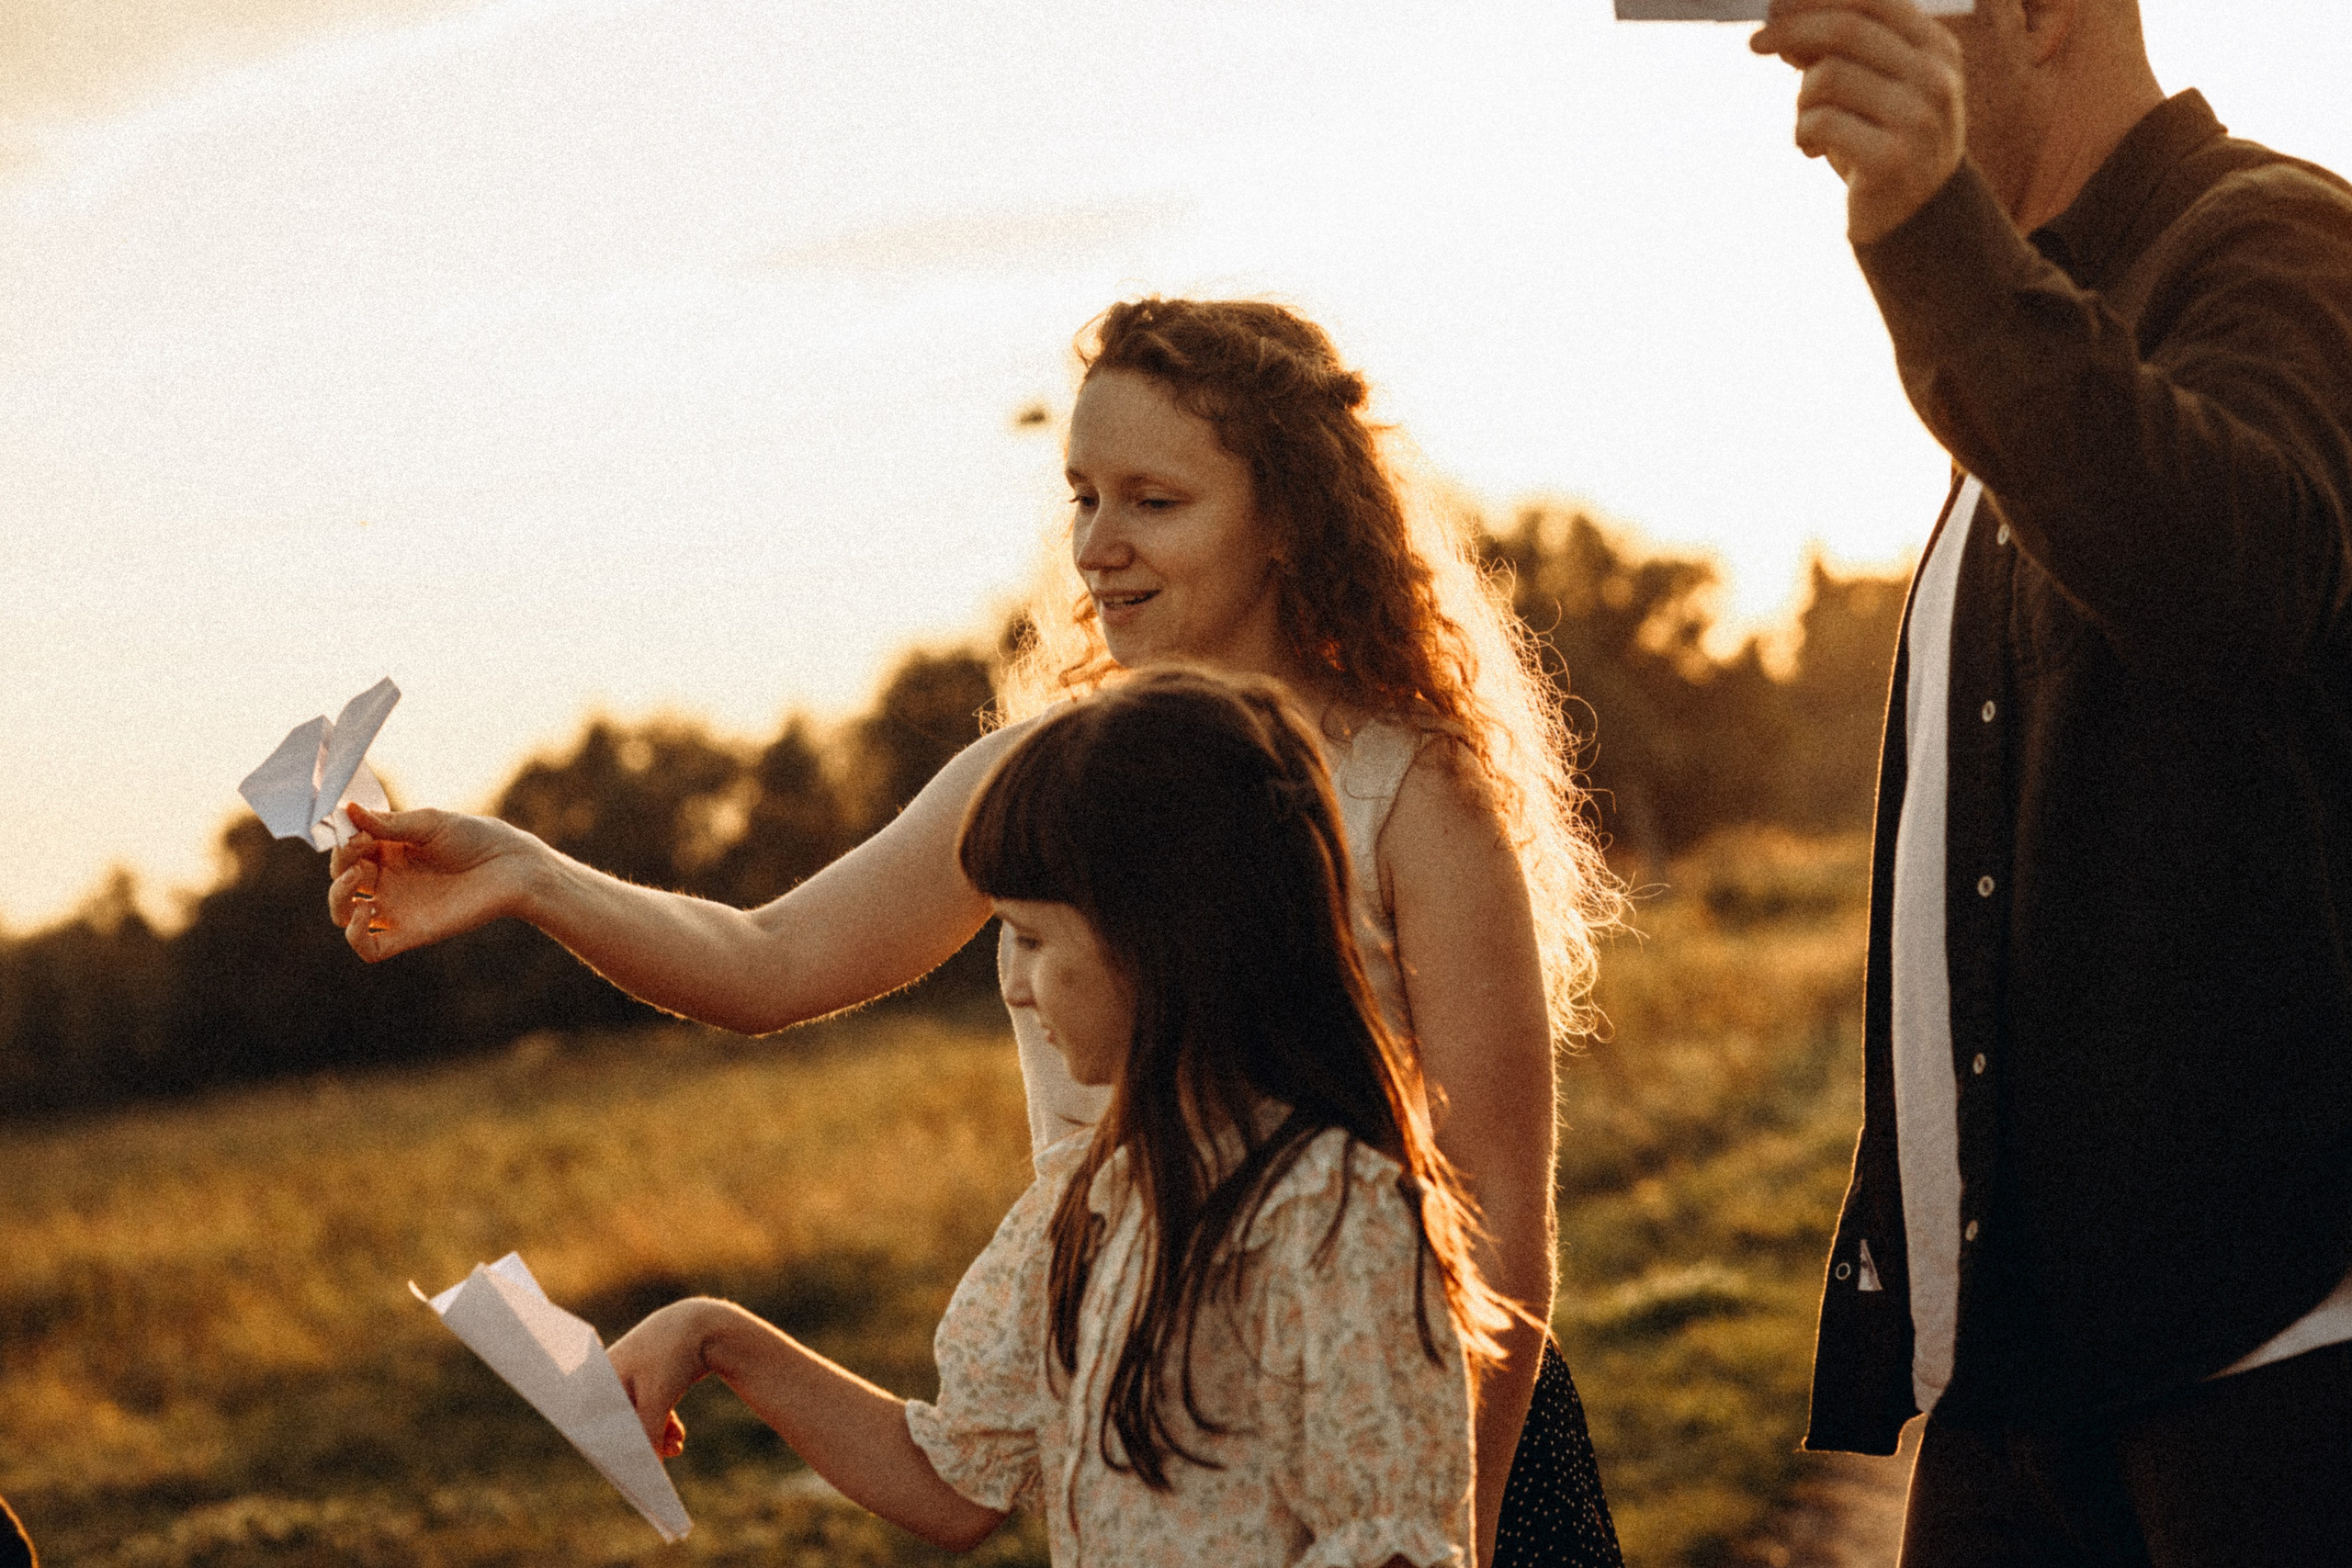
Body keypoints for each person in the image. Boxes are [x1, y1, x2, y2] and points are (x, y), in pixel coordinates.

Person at [327, 298, 1628, 1566]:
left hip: (1420, 1423)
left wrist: (1460, 1518)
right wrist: (531, 877)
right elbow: (767, 963)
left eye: (1153, 500)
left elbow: (1500, 1217)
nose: (1098, 545)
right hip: (1144, 1415)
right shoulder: (1043, 781)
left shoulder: (1410, 788)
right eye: (1083, 496)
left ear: (1288, 515)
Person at [1751, 1, 2352, 1562]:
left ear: (2034, 13)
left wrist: (1931, 233)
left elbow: (2236, 577)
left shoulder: (2283, 241)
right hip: (2022, 1383)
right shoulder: (2033, 322)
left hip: (2271, 1361)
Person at [610, 669, 1520, 1564]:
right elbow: (954, 1483)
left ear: (1161, 941)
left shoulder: (1331, 1218)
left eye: (1033, 937)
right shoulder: (1090, 1208)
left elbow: (1390, 1549)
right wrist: (714, 1335)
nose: (1012, 983)